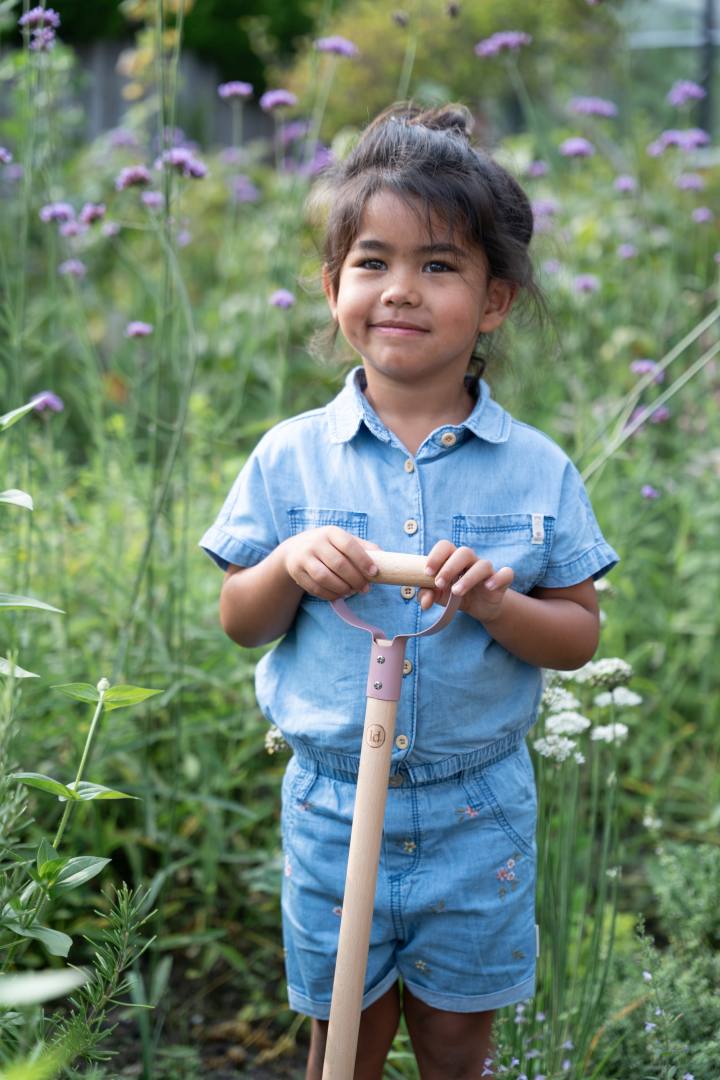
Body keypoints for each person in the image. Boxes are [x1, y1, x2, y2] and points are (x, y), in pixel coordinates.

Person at [200, 103, 619, 1080]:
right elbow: (239, 620)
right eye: (373, 262)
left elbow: (577, 636)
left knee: (457, 1038)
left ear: (495, 300)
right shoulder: (290, 457)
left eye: (437, 265)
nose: (400, 289)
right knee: (341, 1035)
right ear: (333, 286)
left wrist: (497, 605)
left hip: (478, 809)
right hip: (332, 804)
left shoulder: (536, 470)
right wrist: (288, 563)